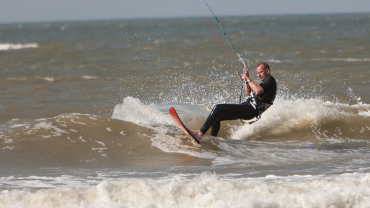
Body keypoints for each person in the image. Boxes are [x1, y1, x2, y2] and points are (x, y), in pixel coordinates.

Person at [188, 62, 277, 141]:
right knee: (218, 117)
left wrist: (249, 79)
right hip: (247, 108)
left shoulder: (270, 80)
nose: (259, 75)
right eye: (257, 73)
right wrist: (246, 79)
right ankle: (213, 140)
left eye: (260, 72)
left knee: (217, 108)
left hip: (250, 110)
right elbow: (248, 92)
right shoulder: (265, 83)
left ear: (267, 71)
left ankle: (199, 133)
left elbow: (258, 91)